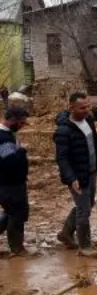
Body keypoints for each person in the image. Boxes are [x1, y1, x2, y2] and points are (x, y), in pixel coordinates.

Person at [54, 93, 97, 257]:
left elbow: (95, 145)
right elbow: (62, 158)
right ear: (71, 108)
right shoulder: (63, 131)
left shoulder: (88, 121)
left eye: (88, 106)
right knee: (84, 210)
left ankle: (66, 234)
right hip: (77, 176)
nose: (87, 110)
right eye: (82, 108)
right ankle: (85, 247)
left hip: (91, 171)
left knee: (87, 205)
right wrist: (71, 178)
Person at [0, 107, 30, 257]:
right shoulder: (2, 138)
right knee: (16, 214)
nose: (22, 125)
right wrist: (22, 151)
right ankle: (17, 248)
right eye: (21, 123)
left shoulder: (8, 135)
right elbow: (9, 161)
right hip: (9, 184)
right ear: (12, 120)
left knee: (11, 212)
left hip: (12, 183)